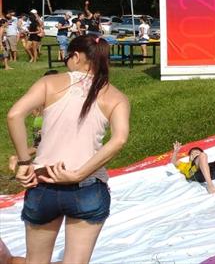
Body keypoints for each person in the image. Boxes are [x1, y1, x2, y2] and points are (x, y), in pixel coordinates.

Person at [7, 35, 130, 264]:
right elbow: (119, 139)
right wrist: (80, 173)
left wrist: (25, 162)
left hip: (43, 181)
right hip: (87, 187)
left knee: (35, 260)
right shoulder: (116, 96)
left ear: (75, 56)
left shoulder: (49, 83)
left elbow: (15, 115)